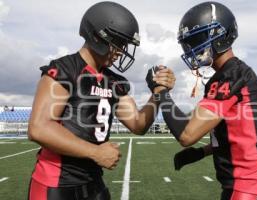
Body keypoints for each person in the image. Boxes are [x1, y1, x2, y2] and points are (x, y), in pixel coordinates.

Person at [27, 2, 175, 200]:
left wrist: (157, 93)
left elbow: (138, 124)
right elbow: (39, 128)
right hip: (56, 184)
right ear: (98, 36)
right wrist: (95, 152)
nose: (121, 51)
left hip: (94, 182)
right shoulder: (65, 70)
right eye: (119, 43)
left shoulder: (114, 81)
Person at [146, 2, 257, 200]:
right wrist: (201, 153)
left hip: (247, 187)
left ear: (219, 36)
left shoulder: (230, 76)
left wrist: (161, 92)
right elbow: (236, 135)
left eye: (197, 39)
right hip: (251, 185)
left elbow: (187, 135)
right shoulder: (235, 74)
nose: (192, 48)